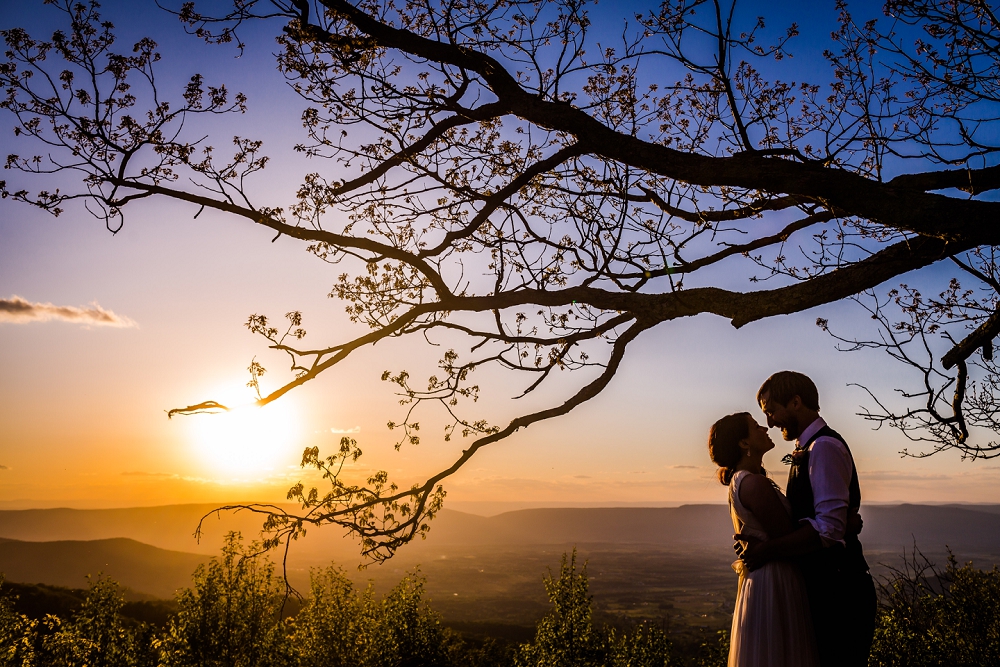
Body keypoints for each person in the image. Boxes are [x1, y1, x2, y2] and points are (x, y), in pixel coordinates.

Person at [737, 371, 877, 667]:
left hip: (840, 593)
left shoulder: (823, 447)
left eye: (772, 411)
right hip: (826, 591)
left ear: (797, 402)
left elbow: (829, 531)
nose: (771, 422)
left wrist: (766, 550)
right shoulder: (809, 447)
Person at [708, 411, 819, 667]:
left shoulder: (742, 480)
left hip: (764, 576)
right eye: (756, 427)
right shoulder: (753, 483)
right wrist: (843, 524)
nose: (765, 429)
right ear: (743, 443)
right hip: (775, 578)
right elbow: (790, 538)